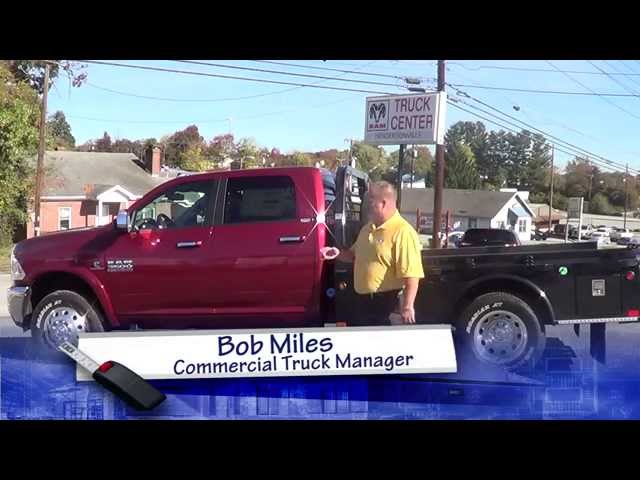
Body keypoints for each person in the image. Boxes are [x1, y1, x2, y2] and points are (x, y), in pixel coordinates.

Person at [321, 181, 424, 325]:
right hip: (362, 303)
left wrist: (407, 307)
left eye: (371, 202)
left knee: (381, 347)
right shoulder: (367, 229)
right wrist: (337, 253)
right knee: (362, 346)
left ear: (383, 203)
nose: (367, 207)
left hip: (386, 303)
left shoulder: (403, 232)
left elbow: (412, 275)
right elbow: (353, 255)